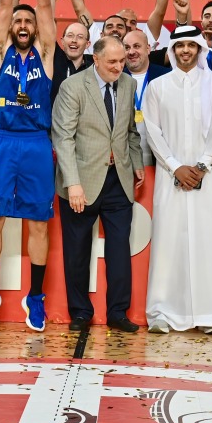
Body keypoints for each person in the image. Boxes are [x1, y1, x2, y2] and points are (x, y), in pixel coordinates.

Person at [0, 0, 60, 333]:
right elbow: (7, 1)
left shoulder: (46, 54)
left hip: (35, 143)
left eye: (29, 21)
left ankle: (36, 295)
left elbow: (44, 3)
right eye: (19, 20)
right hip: (2, 140)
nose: (23, 23)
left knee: (39, 224)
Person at [143, 26, 212, 335]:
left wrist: (202, 165)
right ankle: (162, 312)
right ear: (172, 50)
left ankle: (211, 313)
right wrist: (174, 166)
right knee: (169, 243)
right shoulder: (157, 86)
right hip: (170, 177)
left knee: (209, 241)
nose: (185, 51)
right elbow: (153, 131)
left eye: (190, 45)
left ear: (199, 49)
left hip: (207, 177)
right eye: (179, 45)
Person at [51, 36, 144, 333]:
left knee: (119, 250)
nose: (119, 67)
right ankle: (80, 312)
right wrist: (73, 183)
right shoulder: (73, 87)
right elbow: (63, 138)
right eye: (112, 62)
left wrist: (137, 164)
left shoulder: (129, 85)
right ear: (96, 60)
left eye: (122, 61)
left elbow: (130, 130)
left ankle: (118, 312)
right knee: (77, 250)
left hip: (120, 180)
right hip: (81, 181)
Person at [122, 28, 170, 165]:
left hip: (162, 159)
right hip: (126, 160)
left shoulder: (167, 77)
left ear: (148, 49)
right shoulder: (115, 80)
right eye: (127, 47)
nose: (131, 52)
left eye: (137, 46)